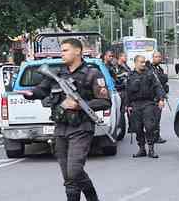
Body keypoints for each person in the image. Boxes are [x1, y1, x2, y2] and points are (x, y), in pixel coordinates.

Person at [20, 38, 111, 201]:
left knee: (74, 172)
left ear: (77, 51)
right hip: (60, 127)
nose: (62, 54)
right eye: (61, 50)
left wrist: (79, 106)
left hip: (81, 127)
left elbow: (105, 101)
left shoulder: (92, 73)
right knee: (68, 175)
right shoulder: (57, 74)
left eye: (65, 50)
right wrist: (30, 94)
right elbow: (42, 89)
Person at [127, 55, 165, 158]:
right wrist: (128, 105)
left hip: (148, 103)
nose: (143, 64)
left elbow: (157, 87)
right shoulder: (130, 75)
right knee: (137, 128)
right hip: (135, 105)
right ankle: (142, 149)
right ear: (135, 63)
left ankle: (151, 149)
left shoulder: (150, 74)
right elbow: (128, 91)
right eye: (141, 62)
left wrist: (161, 99)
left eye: (144, 62)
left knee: (149, 126)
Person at [148, 52, 169, 144]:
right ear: (152, 58)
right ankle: (152, 136)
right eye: (156, 57)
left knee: (157, 117)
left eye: (159, 57)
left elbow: (163, 82)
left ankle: (156, 136)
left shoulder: (159, 68)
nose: (158, 58)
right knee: (153, 118)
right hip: (153, 97)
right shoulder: (150, 69)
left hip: (160, 96)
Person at [110, 52, 131, 140]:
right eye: (124, 56)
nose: (126, 57)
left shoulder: (125, 66)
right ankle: (121, 129)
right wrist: (123, 76)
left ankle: (131, 127)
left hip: (125, 90)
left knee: (126, 110)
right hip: (119, 91)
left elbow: (129, 74)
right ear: (120, 57)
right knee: (121, 111)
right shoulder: (115, 67)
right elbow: (115, 78)